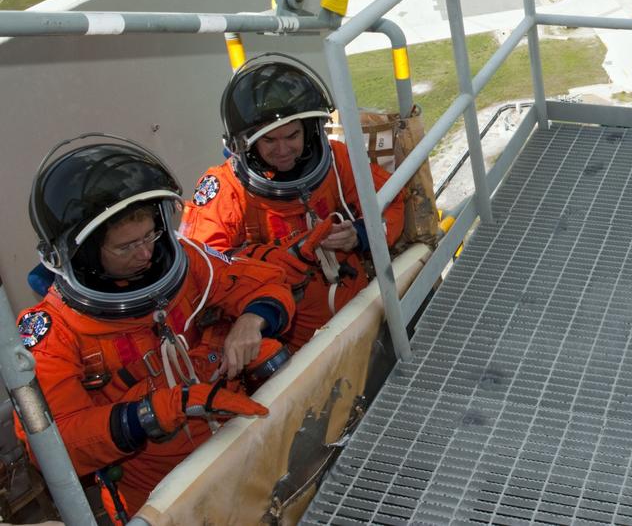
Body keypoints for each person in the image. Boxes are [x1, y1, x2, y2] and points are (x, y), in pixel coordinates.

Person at [15, 136, 295, 518]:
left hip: (228, 439)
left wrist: (251, 320)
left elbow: (267, 281)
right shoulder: (53, 330)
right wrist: (158, 410)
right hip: (151, 489)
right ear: (84, 254)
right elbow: (54, 445)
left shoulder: (185, 262)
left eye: (150, 235)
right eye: (126, 247)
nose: (146, 253)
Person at [182, 54, 405, 350]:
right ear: (248, 143)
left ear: (309, 131)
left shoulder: (337, 162)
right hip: (286, 329)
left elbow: (391, 203)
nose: (283, 149)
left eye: (292, 135)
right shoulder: (227, 189)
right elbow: (203, 265)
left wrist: (362, 234)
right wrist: (281, 258)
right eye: (270, 141)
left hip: (357, 303)